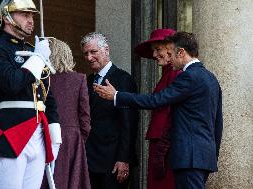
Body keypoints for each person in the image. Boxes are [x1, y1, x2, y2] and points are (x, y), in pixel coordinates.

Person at [94, 32, 223, 189]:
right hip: (202, 157)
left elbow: (156, 100)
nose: (169, 59)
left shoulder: (188, 76)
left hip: (189, 156)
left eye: (170, 53)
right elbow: (218, 123)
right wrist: (211, 155)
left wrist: (117, 96)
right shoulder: (211, 78)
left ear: (181, 52)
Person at [0, 0, 61, 188]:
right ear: (7, 17)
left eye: (32, 15)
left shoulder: (33, 50)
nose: (30, 20)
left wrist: (55, 135)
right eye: (24, 14)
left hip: (39, 133)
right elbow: (11, 83)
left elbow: (48, 96)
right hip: (11, 132)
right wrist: (38, 59)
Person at [81, 32, 139, 189]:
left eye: (93, 52)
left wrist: (124, 159)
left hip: (113, 161)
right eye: (86, 53)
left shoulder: (123, 79)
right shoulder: (86, 81)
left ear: (106, 50)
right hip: (90, 159)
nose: (89, 57)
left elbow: (129, 123)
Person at [41, 38, 91, 189]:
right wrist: (79, 138)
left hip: (45, 135)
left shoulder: (41, 79)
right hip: (72, 138)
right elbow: (85, 116)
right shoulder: (79, 79)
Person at [134, 28, 180, 189]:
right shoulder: (168, 73)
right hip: (162, 139)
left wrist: (118, 96)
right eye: (153, 51)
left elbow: (165, 107)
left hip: (167, 141)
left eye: (158, 49)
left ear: (171, 49)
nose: (154, 55)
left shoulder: (176, 73)